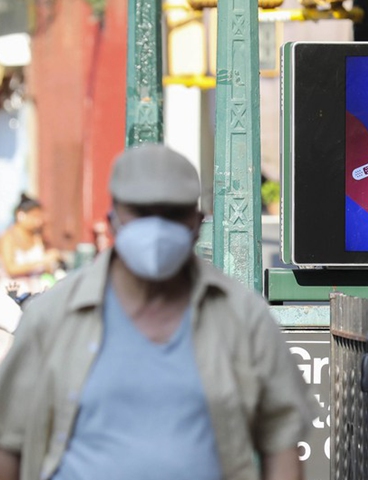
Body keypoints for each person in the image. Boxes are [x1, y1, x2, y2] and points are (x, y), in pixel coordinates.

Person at [0, 143, 314, 480]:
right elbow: (9, 443)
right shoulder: (53, 317)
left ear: (196, 223)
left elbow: (282, 443)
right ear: (113, 220)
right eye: (142, 211)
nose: (157, 229)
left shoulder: (243, 318)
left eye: (172, 212)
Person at [0, 194, 62, 295]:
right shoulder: (8, 238)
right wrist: (42, 261)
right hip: (14, 292)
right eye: (34, 216)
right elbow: (11, 268)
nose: (38, 221)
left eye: (40, 217)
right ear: (21, 215)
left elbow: (46, 265)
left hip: (37, 290)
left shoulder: (37, 236)